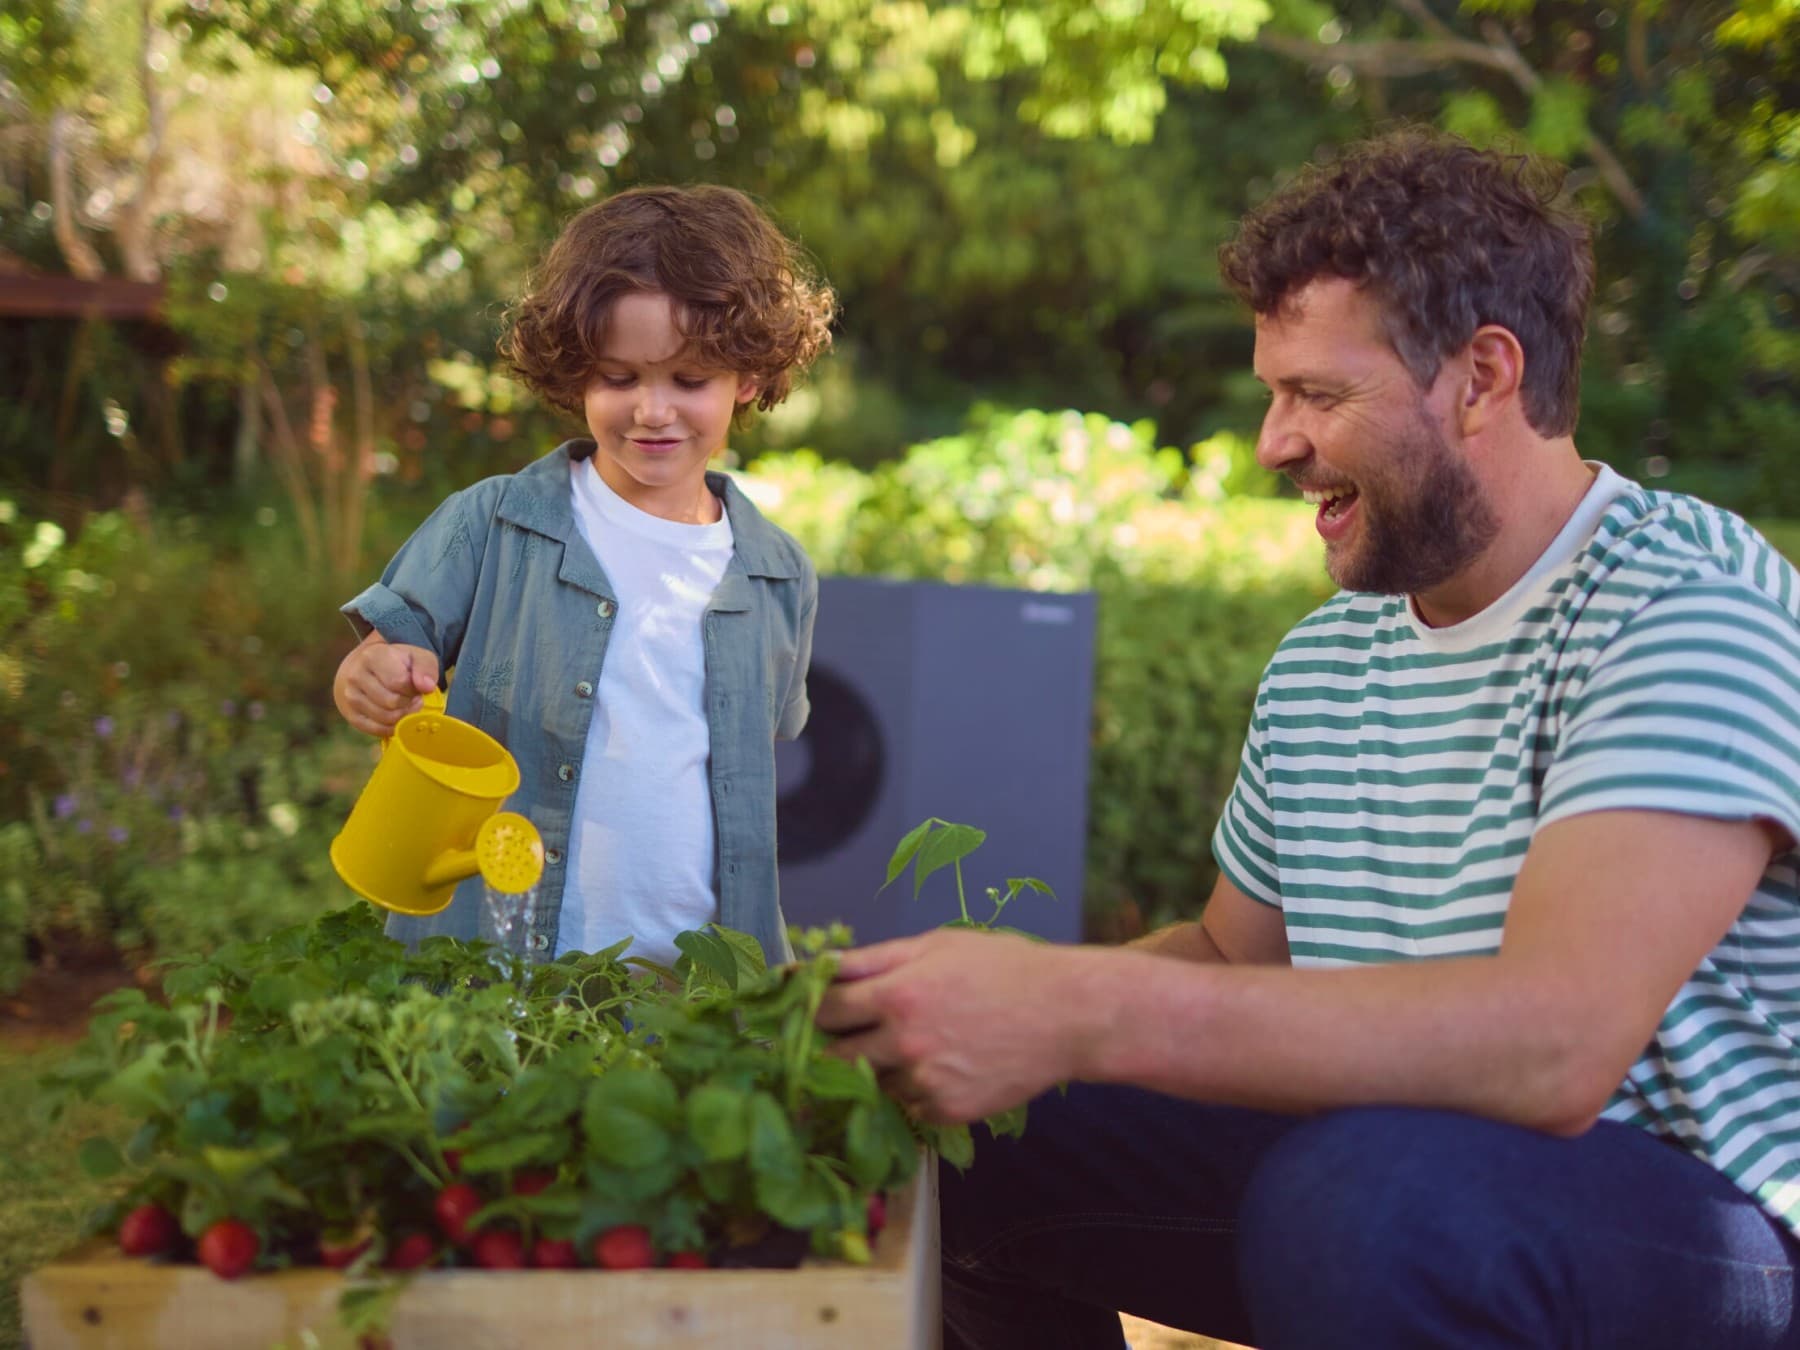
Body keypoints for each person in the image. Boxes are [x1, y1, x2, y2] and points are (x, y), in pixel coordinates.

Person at [816, 128, 1800, 1349]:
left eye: (1320, 396)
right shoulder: (1330, 659)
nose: (1274, 442)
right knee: (978, 1122)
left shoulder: (1685, 607)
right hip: (1390, 1174)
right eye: (1274, 392)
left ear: (1484, 377)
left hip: (1708, 1232)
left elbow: (1555, 1047)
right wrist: (959, 1016)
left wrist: (1079, 1004)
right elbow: (1237, 959)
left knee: (1372, 1201)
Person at [332, 184, 833, 968]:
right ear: (574, 373)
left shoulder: (779, 575)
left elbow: (745, 765)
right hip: (502, 960)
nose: (652, 410)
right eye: (619, 378)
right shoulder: (491, 523)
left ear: (750, 376)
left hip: (692, 988)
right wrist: (372, 676)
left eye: (689, 380)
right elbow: (389, 653)